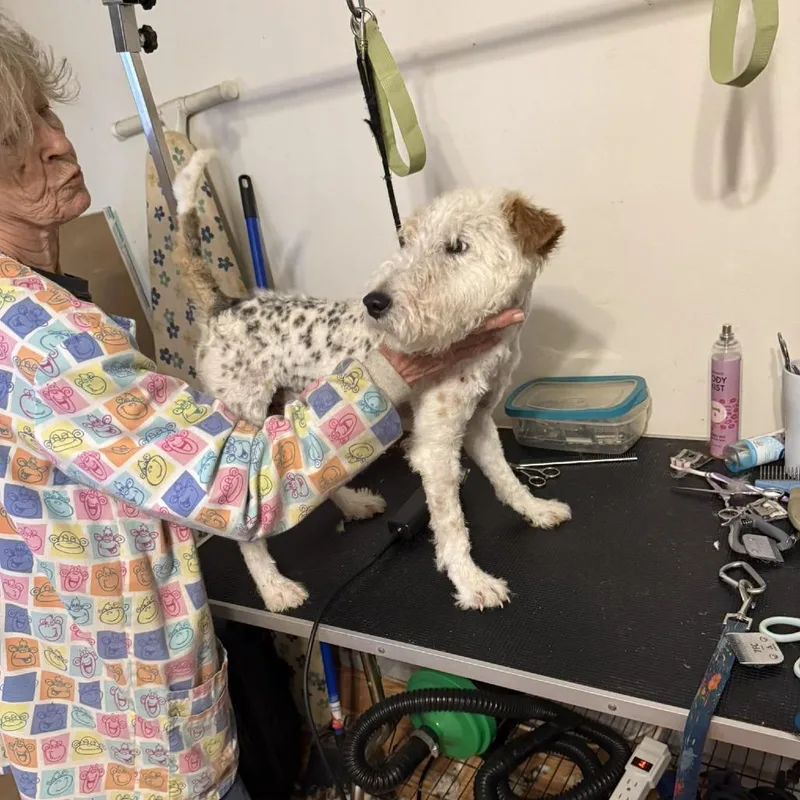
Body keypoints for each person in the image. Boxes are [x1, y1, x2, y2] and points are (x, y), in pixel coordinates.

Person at [0, 15, 524, 800]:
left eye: (45, 112)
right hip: (134, 762)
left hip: (89, 725)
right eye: (14, 135)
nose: (58, 142)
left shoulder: (46, 310)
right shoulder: (34, 337)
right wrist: (398, 369)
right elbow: (242, 483)